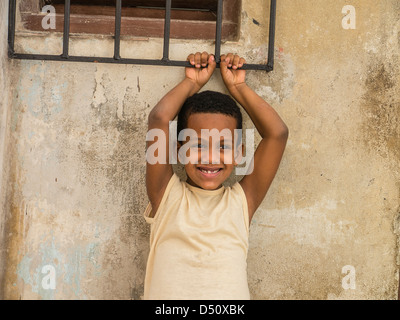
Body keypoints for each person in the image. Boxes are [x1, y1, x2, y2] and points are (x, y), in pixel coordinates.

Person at [143, 52, 288, 300]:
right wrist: (191, 83)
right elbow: (159, 118)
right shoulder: (166, 196)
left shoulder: (242, 201)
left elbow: (277, 134)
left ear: (240, 153)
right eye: (198, 145)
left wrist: (238, 87)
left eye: (223, 146)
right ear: (178, 149)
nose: (210, 158)